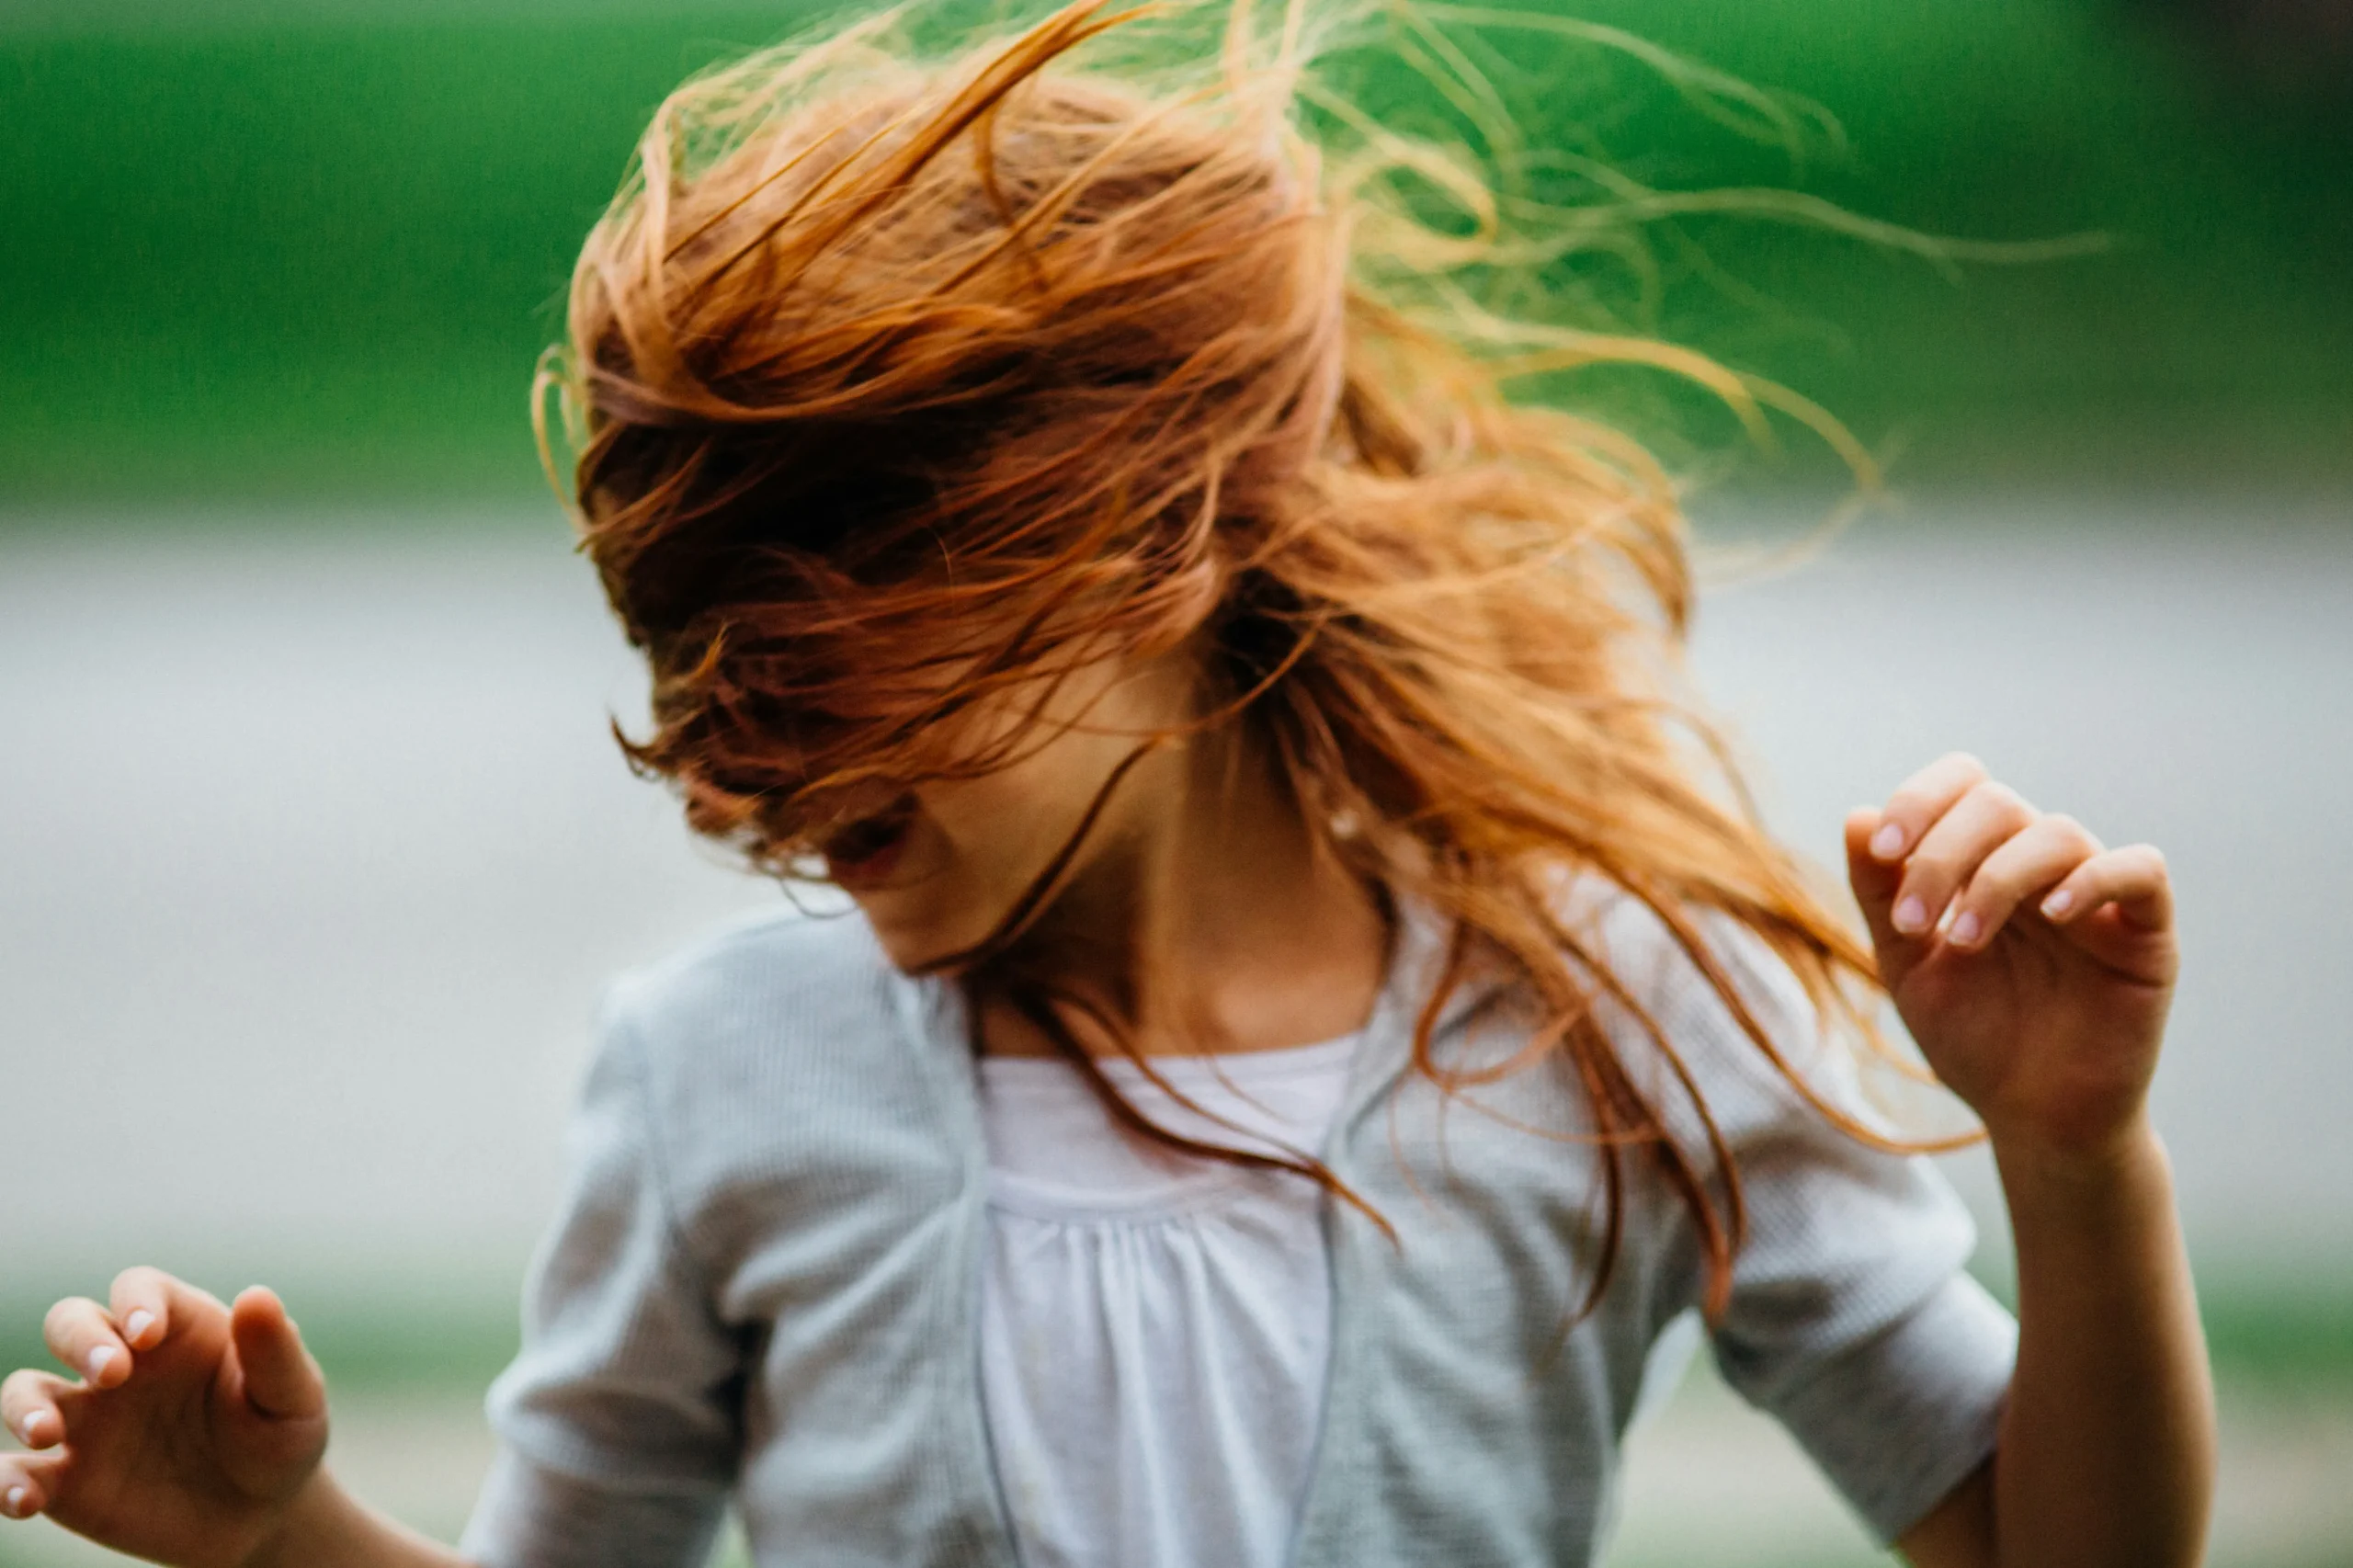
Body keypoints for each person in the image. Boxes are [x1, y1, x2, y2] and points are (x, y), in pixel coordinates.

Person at [0, 2, 2216, 1563]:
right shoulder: (710, 1088)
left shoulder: (1607, 1023)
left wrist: (2069, 1147)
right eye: (689, 661)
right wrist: (277, 1538)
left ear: (1163, 549)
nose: (731, 761)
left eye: (821, 652)